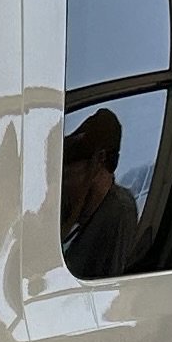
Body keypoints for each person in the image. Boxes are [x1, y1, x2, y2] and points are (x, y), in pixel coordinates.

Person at [61, 107, 142, 279]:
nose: (63, 183)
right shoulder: (78, 210)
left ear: (99, 160)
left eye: (68, 173)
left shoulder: (119, 211)